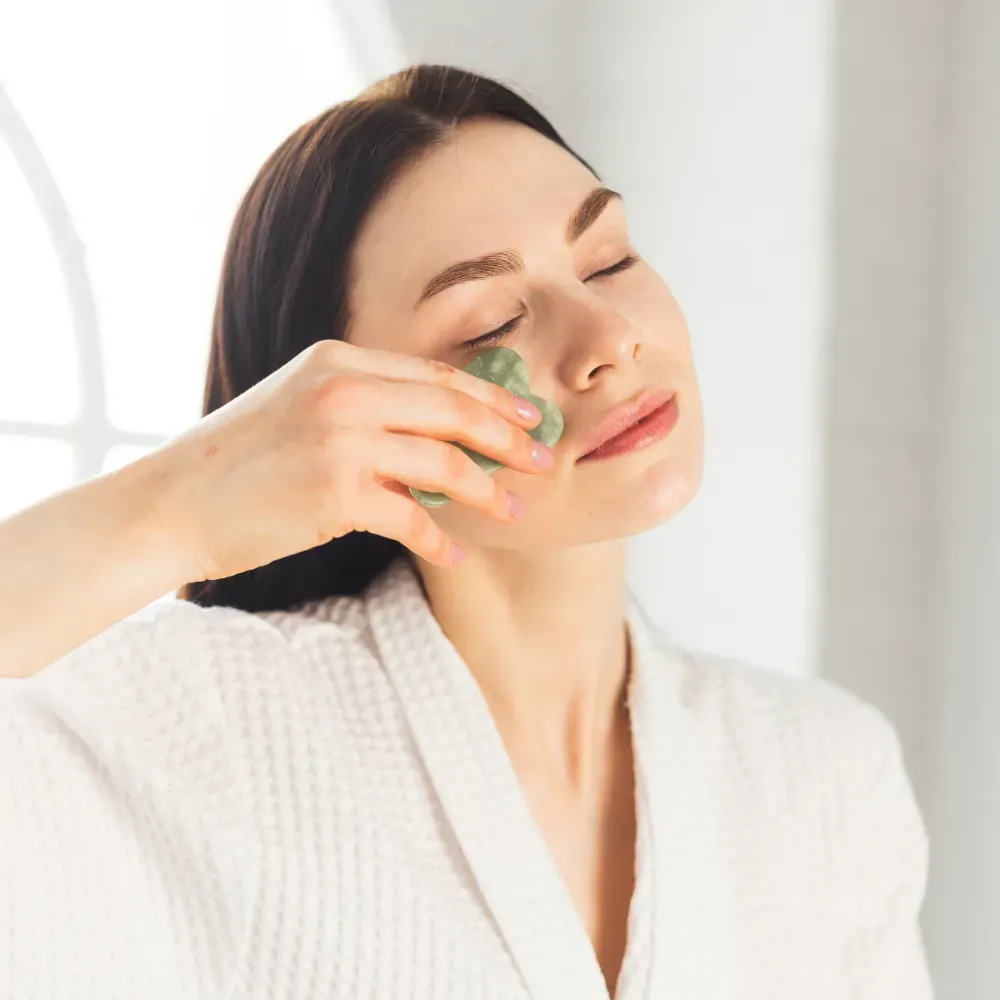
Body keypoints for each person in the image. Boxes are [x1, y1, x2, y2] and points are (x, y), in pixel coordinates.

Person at [0, 64, 933, 999]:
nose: (609, 335)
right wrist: (185, 506)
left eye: (608, 259)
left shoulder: (825, 775)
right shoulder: (208, 733)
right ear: (338, 411)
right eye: (491, 321)